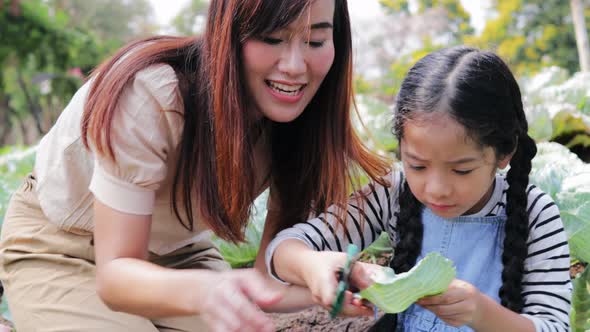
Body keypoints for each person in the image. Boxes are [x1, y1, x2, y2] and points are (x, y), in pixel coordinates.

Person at [0, 0, 391, 331]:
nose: (294, 65)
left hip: (176, 256)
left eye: (315, 40)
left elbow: (262, 283)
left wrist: (336, 287)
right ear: (229, 33)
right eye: (272, 38)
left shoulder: (299, 126)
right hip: (62, 248)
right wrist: (206, 291)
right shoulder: (153, 95)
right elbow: (116, 275)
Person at [266, 46, 572, 332]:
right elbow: (283, 250)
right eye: (417, 166)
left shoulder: (536, 213)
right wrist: (314, 267)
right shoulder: (391, 193)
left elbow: (555, 325)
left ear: (504, 153)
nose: (436, 190)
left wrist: (482, 313)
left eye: (461, 170)